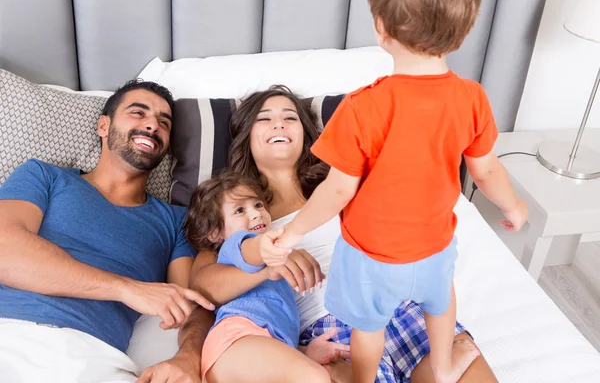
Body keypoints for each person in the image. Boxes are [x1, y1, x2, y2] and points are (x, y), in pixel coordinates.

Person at [268, 0, 528, 382]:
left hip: (371, 257)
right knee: (440, 304)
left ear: (381, 28)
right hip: (434, 247)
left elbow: (339, 190)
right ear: (466, 28)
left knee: (368, 327)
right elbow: (486, 170)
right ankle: (442, 368)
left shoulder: (362, 107)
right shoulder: (472, 98)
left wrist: (292, 232)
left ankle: (363, 378)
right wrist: (512, 206)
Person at [156, 85, 499, 383]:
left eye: (290, 118)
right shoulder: (234, 212)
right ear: (246, 136)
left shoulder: (346, 187)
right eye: (265, 118)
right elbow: (204, 287)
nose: (279, 123)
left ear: (306, 134)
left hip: (401, 306)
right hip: (328, 332)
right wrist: (271, 258)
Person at [0, 80, 215, 383]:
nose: (152, 125)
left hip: (94, 359)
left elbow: (193, 303)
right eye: (138, 113)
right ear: (103, 125)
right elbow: (5, 252)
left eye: (163, 122)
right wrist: (128, 289)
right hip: (9, 332)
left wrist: (189, 358)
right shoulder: (43, 176)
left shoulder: (176, 221)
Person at [183, 170, 344, 382]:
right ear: (216, 233)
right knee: (315, 378)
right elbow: (250, 248)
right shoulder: (233, 245)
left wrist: (303, 352)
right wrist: (268, 249)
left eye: (258, 205)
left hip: (262, 348)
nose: (257, 213)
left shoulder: (276, 274)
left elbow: (273, 325)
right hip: (236, 338)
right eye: (240, 210)